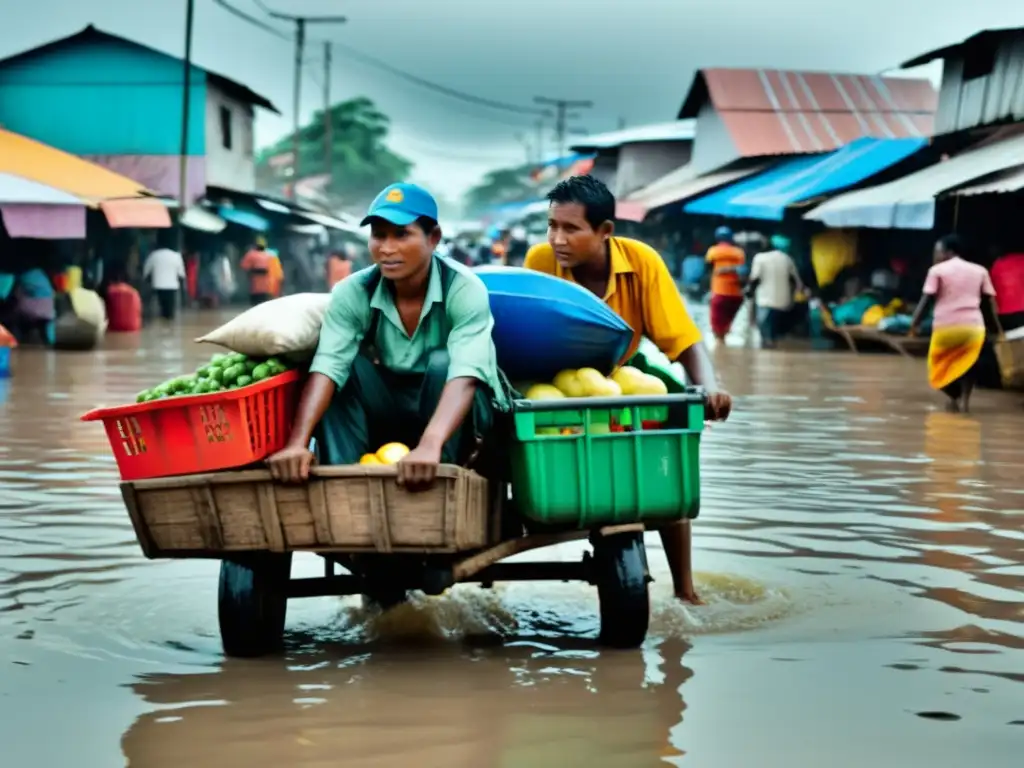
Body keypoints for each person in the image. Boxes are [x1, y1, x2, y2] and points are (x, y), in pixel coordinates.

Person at [524, 175, 733, 605]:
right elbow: (523, 333)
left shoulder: (641, 262)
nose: (557, 239)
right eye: (552, 226)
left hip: (621, 372)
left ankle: (685, 589)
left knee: (668, 451)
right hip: (554, 376)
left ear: (605, 232)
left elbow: (683, 339)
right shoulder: (540, 261)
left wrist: (708, 387)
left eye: (570, 228)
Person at [267, 182, 508, 490]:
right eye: (379, 235)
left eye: (401, 234)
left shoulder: (463, 287)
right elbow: (329, 363)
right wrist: (297, 443)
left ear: (433, 238)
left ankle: (443, 477)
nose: (386, 247)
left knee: (443, 362)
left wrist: (430, 444)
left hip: (452, 406)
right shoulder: (354, 291)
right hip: (390, 402)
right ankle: (343, 481)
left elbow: (465, 373)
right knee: (346, 366)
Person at [910, 235, 1001, 414]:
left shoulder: (936, 271)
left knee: (937, 368)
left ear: (949, 252)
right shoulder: (980, 270)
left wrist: (914, 322)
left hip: (946, 328)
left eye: (937, 251)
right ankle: (964, 402)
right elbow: (990, 303)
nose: (935, 255)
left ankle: (954, 397)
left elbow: (926, 299)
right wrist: (996, 328)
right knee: (968, 364)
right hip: (973, 327)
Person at [747, 235, 806, 349]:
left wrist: (749, 293)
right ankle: (772, 343)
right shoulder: (788, 259)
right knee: (774, 330)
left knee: (763, 327)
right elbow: (797, 282)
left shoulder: (760, 258)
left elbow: (754, 279)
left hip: (764, 300)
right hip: (783, 301)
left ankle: (767, 345)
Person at [704, 226, 747, 343]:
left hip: (719, 292)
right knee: (727, 321)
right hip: (736, 293)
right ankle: (723, 342)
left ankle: (720, 348)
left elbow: (708, 268)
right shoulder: (739, 252)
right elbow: (743, 271)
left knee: (716, 324)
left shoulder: (713, 251)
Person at [142, 241, 185, 322]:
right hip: (172, 286)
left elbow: (146, 272)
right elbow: (181, 274)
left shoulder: (153, 255)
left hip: (157, 285)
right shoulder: (176, 256)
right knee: (170, 311)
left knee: (161, 308)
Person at [240, 237, 275, 305]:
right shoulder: (252, 254)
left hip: (266, 283)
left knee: (263, 301)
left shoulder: (269, 254)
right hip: (256, 282)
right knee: (257, 300)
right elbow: (244, 266)